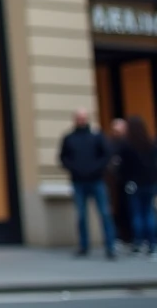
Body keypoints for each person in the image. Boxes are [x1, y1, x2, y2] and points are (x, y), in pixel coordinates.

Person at [59, 109, 116, 260]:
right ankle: (83, 246)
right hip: (78, 182)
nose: (81, 120)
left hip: (97, 180)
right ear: (75, 120)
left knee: (104, 213)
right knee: (81, 216)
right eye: (79, 118)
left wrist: (96, 169)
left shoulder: (97, 136)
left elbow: (106, 155)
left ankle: (110, 246)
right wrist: (74, 169)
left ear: (87, 119)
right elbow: (63, 158)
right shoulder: (69, 138)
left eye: (83, 118)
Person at [116, 117, 157, 259]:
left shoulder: (127, 145)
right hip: (150, 183)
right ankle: (152, 245)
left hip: (134, 184)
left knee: (137, 215)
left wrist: (125, 179)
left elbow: (123, 167)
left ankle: (139, 243)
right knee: (149, 214)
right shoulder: (151, 143)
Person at [108, 118, 133, 251]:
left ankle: (132, 237)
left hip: (130, 182)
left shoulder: (132, 143)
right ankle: (120, 237)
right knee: (117, 210)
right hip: (115, 184)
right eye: (115, 130)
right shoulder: (110, 143)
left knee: (133, 210)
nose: (117, 132)